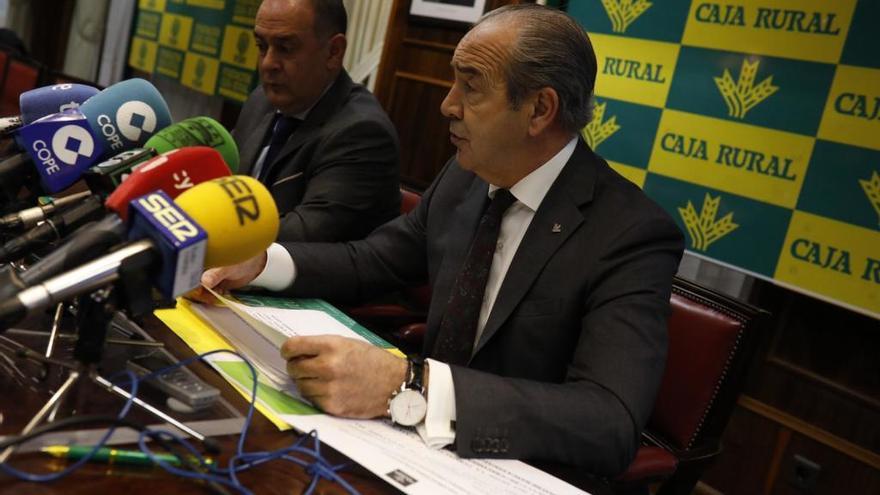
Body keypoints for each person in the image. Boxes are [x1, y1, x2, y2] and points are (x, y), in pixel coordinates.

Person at [199, 4, 684, 477]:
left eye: (470, 87)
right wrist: (263, 263)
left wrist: (410, 384)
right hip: (406, 449)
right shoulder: (468, 176)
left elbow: (607, 421)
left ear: (540, 109)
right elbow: (375, 260)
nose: (447, 104)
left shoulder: (629, 234)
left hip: (510, 468)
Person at [234, 0, 401, 242]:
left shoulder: (362, 133)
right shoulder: (261, 101)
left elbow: (304, 236)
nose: (268, 63)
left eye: (285, 48)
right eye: (261, 46)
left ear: (333, 52)